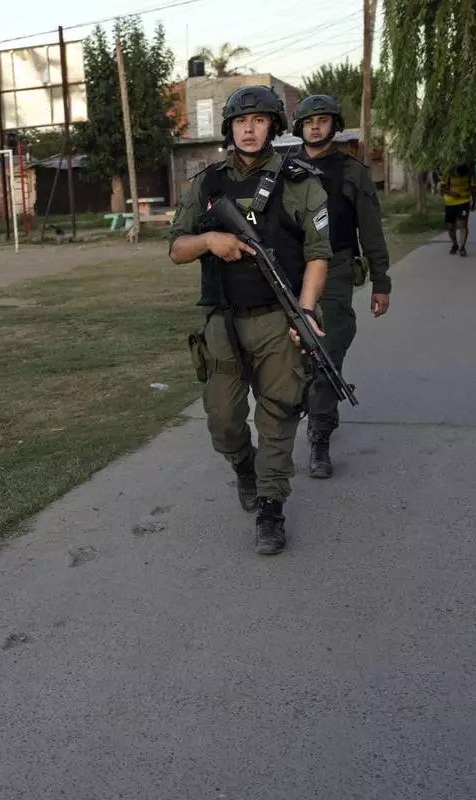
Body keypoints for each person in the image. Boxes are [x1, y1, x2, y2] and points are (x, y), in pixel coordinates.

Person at [168, 85, 331, 555]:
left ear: (273, 126)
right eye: (241, 121)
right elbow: (177, 249)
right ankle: (244, 466)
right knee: (223, 421)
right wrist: (210, 243)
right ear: (229, 128)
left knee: (278, 414)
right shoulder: (208, 184)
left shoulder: (301, 181)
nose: (250, 129)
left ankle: (271, 508)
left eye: (259, 120)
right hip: (222, 320)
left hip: (279, 319)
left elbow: (319, 255)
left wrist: (304, 311)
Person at [293, 94, 392, 480]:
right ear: (298, 126)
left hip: (335, 270)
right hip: (292, 272)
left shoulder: (352, 172)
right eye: (308, 121)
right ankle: (299, 413)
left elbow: (370, 229)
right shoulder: (285, 169)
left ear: (334, 125)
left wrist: (381, 281)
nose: (315, 126)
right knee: (290, 353)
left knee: (327, 348)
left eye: (323, 120)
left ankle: (319, 433)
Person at [440, 163, 475, 256]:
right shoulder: (448, 173)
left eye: (461, 175)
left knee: (463, 224)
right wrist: (451, 193)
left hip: (464, 202)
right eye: (458, 174)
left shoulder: (470, 174)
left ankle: (462, 247)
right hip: (450, 202)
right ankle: (454, 244)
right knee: (450, 226)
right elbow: (442, 189)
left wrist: (474, 202)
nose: (459, 176)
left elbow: (473, 188)